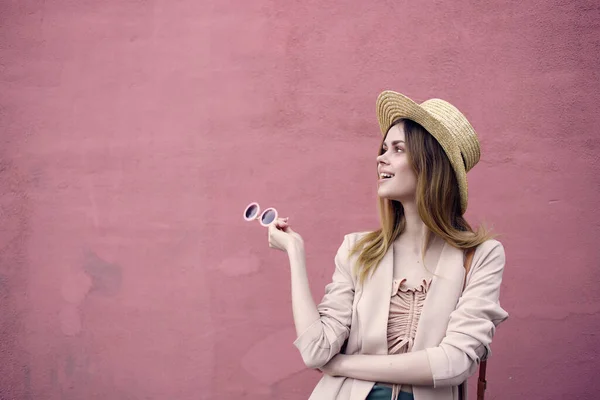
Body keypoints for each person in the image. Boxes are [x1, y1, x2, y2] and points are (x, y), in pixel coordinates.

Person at [267, 90, 509, 400]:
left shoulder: (481, 256)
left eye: (398, 149)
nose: (381, 157)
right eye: (384, 148)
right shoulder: (357, 250)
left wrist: (342, 364)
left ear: (431, 163)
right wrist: (294, 252)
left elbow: (454, 362)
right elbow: (315, 351)